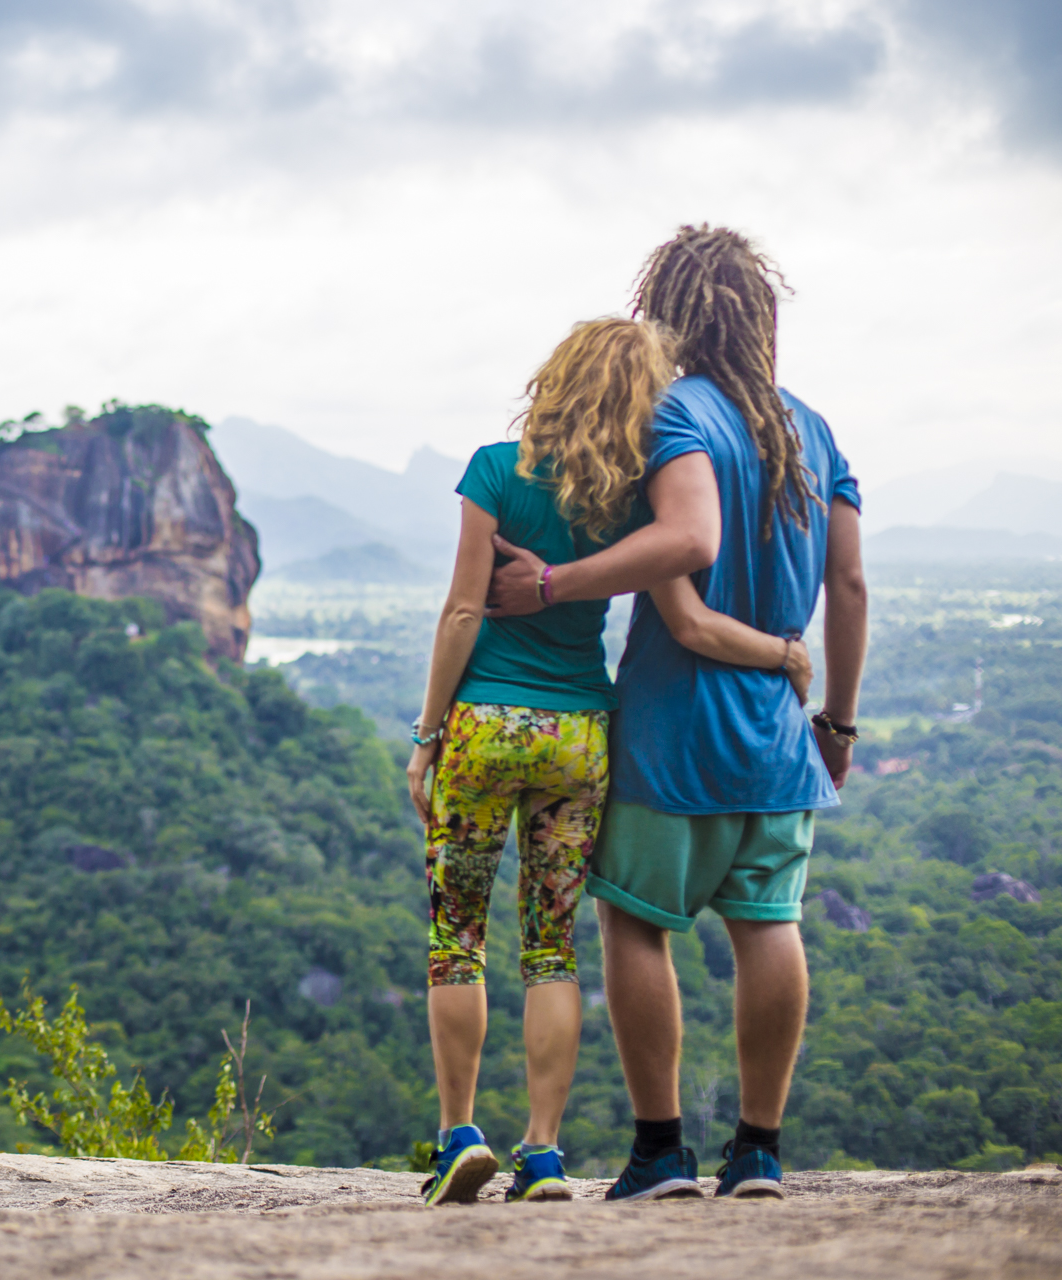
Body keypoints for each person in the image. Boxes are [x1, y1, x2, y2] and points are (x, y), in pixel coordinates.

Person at [485, 225, 868, 1201]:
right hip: (781, 737)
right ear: (760, 314)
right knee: (769, 923)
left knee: (636, 924)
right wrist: (835, 719)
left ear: (672, 309)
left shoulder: (673, 416)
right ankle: (761, 1148)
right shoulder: (812, 431)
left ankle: (660, 1149)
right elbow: (852, 585)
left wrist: (558, 583)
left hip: (674, 730)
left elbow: (684, 589)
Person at [409, 316, 812, 1207]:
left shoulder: (492, 469)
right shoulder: (630, 499)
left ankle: (457, 1137)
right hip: (582, 734)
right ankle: (544, 1154)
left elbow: (462, 613)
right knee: (550, 947)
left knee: (458, 939)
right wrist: (787, 654)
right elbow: (685, 615)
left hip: (483, 727)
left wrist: (428, 734)